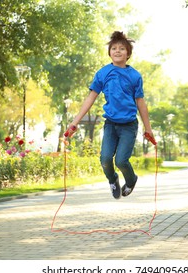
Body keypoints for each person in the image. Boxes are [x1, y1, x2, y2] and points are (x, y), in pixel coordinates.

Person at [66, 31, 154, 199]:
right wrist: (74, 123)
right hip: (111, 124)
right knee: (105, 159)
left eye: (122, 48)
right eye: (114, 48)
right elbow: (90, 98)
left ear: (128, 53)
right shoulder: (103, 73)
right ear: (109, 52)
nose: (117, 51)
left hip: (128, 125)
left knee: (121, 161)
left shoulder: (135, 76)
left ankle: (131, 180)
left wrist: (148, 129)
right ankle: (113, 179)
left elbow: (141, 103)